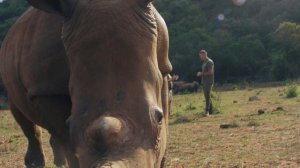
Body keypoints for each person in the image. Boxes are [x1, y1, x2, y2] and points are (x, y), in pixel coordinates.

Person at [197, 50, 214, 116]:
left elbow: (210, 72)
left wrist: (201, 74)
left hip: (209, 82)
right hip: (204, 82)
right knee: (207, 96)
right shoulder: (204, 62)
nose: (200, 57)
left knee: (207, 96)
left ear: (205, 54)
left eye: (201, 56)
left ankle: (207, 111)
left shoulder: (209, 62)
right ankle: (211, 110)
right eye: (200, 56)